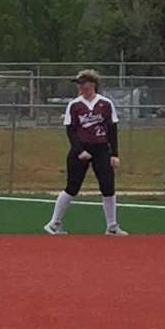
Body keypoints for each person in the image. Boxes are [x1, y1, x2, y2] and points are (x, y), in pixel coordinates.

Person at [48, 68, 125, 236]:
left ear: (92, 84)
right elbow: (71, 130)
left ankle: (112, 226)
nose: (80, 87)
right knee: (72, 187)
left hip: (101, 149)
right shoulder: (75, 105)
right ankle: (54, 223)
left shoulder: (105, 103)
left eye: (82, 83)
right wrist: (80, 150)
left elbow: (112, 129)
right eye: (79, 84)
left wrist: (114, 154)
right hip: (80, 149)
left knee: (108, 186)